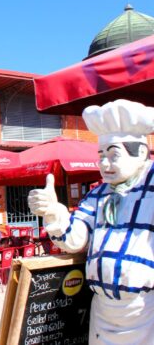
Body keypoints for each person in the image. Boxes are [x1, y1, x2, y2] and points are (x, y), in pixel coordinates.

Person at [28, 99, 154, 344]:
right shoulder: (98, 194)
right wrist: (53, 212)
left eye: (113, 155)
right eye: (101, 156)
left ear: (140, 153)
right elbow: (75, 240)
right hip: (102, 310)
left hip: (145, 309)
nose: (104, 165)